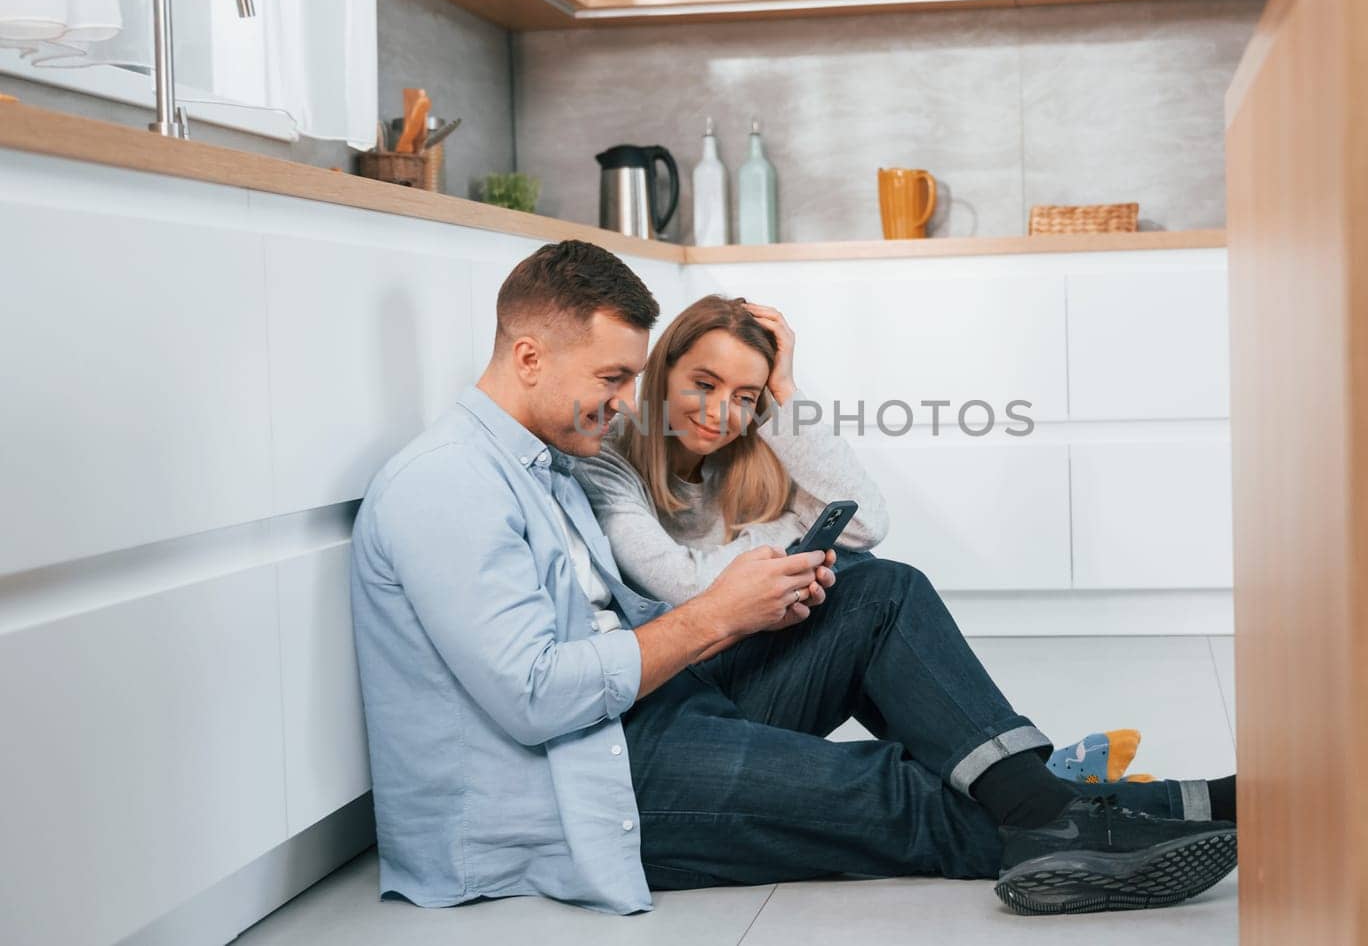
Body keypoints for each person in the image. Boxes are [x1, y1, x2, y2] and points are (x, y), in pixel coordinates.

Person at [350, 242, 1237, 921]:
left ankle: (1063, 815)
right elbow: (535, 696)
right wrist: (714, 619)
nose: (628, 402)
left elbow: (846, 523)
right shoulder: (448, 485)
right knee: (889, 791)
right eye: (614, 378)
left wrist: (735, 613)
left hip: (640, 719)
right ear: (532, 356)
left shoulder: (545, 460)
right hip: (588, 785)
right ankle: (1145, 812)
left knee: (881, 592)